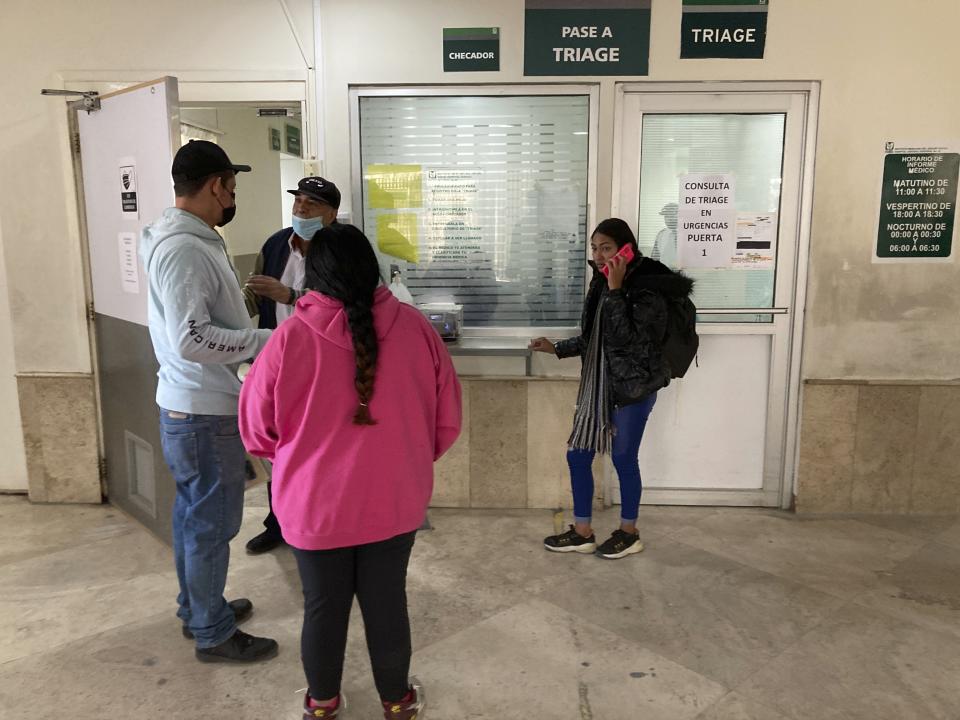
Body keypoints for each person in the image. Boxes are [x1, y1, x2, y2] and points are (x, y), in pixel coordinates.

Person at [238, 224, 462, 719]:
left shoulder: (288, 338)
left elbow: (256, 430)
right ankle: (398, 702)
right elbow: (446, 420)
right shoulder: (416, 328)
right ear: (371, 269)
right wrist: (403, 462)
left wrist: (295, 464)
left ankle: (322, 704)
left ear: (313, 276)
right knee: (387, 605)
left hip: (313, 507)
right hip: (396, 501)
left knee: (323, 608)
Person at [138, 140, 278, 662]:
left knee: (194, 517)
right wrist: (264, 341)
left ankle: (198, 607)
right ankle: (212, 632)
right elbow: (191, 338)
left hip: (195, 406)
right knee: (210, 524)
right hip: (201, 410)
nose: (232, 196)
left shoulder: (184, 237)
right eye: (232, 186)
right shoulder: (184, 247)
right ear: (217, 185)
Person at [530, 218, 694, 559]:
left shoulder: (649, 287)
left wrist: (617, 289)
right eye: (594, 248)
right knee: (578, 455)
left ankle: (629, 532)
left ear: (626, 248)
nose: (599, 255)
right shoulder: (602, 281)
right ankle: (583, 531)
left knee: (622, 457)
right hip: (599, 385)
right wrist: (557, 348)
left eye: (606, 247)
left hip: (634, 386)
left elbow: (627, 340)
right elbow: (596, 338)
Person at [241, 176, 341, 555]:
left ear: (331, 214)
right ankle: (278, 522)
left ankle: (320, 520)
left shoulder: (341, 251)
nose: (301, 207)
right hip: (276, 362)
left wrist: (292, 295)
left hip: (323, 366)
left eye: (312, 203)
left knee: (319, 449)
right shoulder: (274, 244)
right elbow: (254, 296)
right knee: (276, 448)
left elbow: (347, 299)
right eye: (299, 200)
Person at [651, 202, 679, 270]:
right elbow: (654, 258)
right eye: (666, 216)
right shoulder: (661, 235)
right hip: (664, 274)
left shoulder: (687, 235)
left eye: (670, 215)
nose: (667, 219)